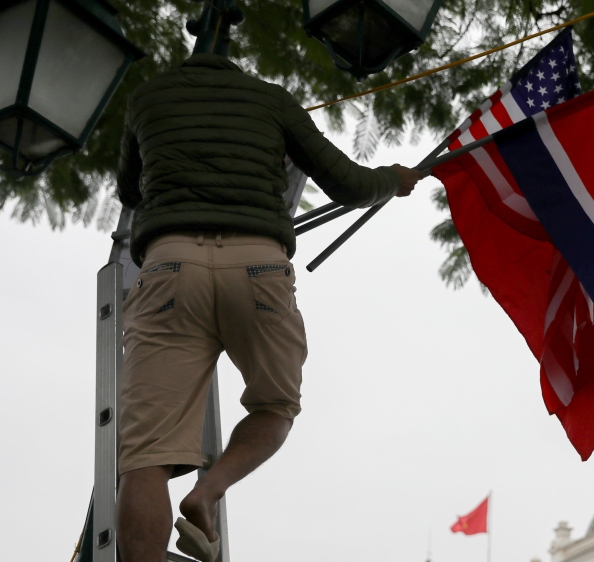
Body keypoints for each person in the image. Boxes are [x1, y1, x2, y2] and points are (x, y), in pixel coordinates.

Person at [114, 53, 424, 562]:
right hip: (258, 265)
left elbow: (129, 190)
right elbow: (350, 184)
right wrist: (394, 177)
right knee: (275, 406)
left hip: (170, 267)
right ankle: (209, 492)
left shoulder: (146, 98)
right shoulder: (274, 100)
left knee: (144, 457)